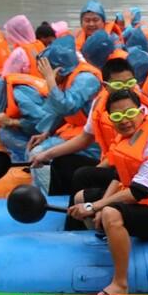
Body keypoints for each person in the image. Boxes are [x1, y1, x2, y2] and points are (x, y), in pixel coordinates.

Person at [64, 88, 148, 295]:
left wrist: (95, 207)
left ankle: (120, 283)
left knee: (110, 213)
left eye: (130, 113)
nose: (125, 120)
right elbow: (119, 176)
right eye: (117, 116)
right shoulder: (128, 137)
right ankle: (85, 242)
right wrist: (93, 203)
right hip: (142, 203)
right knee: (81, 196)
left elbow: (137, 193)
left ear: (141, 112)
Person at [26, 35, 103, 195]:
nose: (44, 76)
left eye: (46, 72)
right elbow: (60, 113)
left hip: (92, 139)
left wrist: (50, 80)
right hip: (75, 130)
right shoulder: (67, 78)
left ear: (59, 69)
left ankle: (49, 197)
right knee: (35, 148)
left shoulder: (86, 79)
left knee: (37, 153)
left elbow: (68, 107)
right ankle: (41, 188)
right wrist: (47, 133)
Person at [0, 72, 52, 163]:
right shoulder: (6, 86)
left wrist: (12, 122)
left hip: (56, 130)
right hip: (47, 124)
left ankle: (32, 159)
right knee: (3, 132)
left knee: (7, 135)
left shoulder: (20, 96)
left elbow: (44, 122)